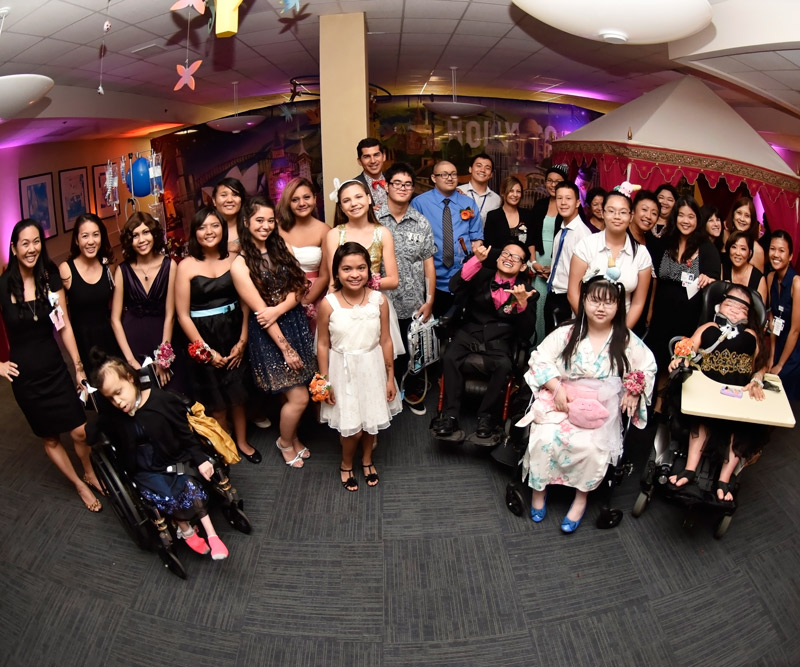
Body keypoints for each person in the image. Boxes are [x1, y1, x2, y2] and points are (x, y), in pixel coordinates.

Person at [521, 275, 656, 533]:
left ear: (619, 307)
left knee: (593, 448)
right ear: (584, 301)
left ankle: (580, 498)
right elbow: (539, 358)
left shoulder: (625, 339)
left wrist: (634, 390)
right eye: (595, 301)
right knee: (544, 439)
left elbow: (647, 367)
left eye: (608, 303)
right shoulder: (567, 333)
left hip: (601, 406)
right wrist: (556, 387)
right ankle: (539, 490)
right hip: (563, 399)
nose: (601, 308)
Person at [0, 219, 101, 513]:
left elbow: (64, 326)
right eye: (25, 243)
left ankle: (88, 469)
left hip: (55, 369)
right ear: (14, 248)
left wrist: (78, 366)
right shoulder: (3, 285)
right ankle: (80, 484)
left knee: (80, 430)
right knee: (50, 436)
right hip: (25, 378)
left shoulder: (50, 277)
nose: (32, 249)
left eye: (36, 242)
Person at [94, 355, 228, 559]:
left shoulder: (161, 400)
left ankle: (212, 536)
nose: (117, 401)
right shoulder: (114, 416)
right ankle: (186, 530)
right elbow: (90, 434)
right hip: (143, 468)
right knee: (166, 495)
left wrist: (200, 460)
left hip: (172, 458)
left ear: (130, 378)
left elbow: (185, 433)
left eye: (118, 393)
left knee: (189, 486)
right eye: (110, 398)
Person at [230, 195, 315, 467]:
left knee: (297, 389)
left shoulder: (283, 247)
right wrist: (285, 349)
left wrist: (278, 309)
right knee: (298, 397)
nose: (266, 226)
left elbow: (300, 287)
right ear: (246, 222)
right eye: (259, 220)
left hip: (294, 322)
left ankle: (294, 437)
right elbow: (261, 315)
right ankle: (285, 442)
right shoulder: (240, 265)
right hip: (270, 336)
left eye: (270, 220)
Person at [667, 285, 769, 503]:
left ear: (749, 314)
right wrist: (681, 358)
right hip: (707, 391)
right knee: (700, 420)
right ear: (718, 305)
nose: (734, 310)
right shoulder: (709, 327)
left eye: (741, 308)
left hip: (737, 395)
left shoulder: (752, 335)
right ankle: (690, 469)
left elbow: (761, 366)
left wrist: (756, 380)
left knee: (741, 428)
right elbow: (689, 347)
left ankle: (724, 479)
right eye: (730, 304)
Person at [175, 206, 261, 464]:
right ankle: (225, 447)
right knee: (216, 402)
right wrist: (205, 351)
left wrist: (243, 339)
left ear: (223, 229)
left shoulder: (234, 258)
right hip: (202, 337)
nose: (209, 232)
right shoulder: (186, 266)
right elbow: (182, 315)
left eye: (214, 225)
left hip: (233, 330)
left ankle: (243, 442)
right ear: (194, 233)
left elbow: (246, 302)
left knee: (238, 395)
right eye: (202, 227)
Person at [317, 243, 402, 491]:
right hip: (342, 372)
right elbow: (323, 344)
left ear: (369, 271)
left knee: (370, 421)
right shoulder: (329, 303)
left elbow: (385, 340)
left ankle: (366, 460)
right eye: (347, 269)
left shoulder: (379, 300)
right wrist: (324, 381)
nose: (355, 274)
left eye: (361, 268)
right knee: (351, 428)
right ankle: (346, 464)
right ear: (337, 273)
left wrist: (389, 377)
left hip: (373, 367)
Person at [431, 241, 537, 437]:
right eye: (505, 253)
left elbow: (525, 333)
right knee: (449, 356)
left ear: (523, 266)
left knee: (504, 365)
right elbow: (454, 286)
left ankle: (486, 417)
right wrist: (474, 261)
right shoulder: (479, 274)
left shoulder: (527, 291)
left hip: (499, 340)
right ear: (497, 257)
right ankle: (451, 416)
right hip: (469, 332)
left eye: (515, 257)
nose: (508, 258)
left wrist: (521, 305)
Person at [376, 163, 436, 415]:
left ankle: (411, 392)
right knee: (382, 351)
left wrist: (430, 300)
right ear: (387, 186)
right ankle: (382, 395)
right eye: (397, 183)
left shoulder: (421, 222)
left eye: (408, 184)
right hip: (380, 301)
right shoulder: (374, 219)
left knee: (413, 353)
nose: (402, 188)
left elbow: (428, 264)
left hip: (412, 300)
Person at [325, 178, 405, 357]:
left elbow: (393, 280)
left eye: (358, 197)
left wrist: (364, 282)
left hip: (373, 306)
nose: (354, 203)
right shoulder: (334, 235)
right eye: (346, 200)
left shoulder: (382, 233)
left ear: (369, 199)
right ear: (341, 206)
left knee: (375, 358)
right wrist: (334, 311)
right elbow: (332, 280)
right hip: (343, 306)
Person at [648, 196, 721, 375]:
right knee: (656, 361)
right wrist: (649, 310)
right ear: (675, 217)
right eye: (681, 215)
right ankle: (656, 400)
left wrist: (708, 279)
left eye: (691, 216)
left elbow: (715, 282)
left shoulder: (706, 247)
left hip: (689, 317)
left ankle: (672, 401)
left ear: (698, 219)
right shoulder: (666, 241)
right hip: (661, 314)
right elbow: (653, 277)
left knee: (679, 366)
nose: (685, 221)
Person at [111, 212, 178, 389]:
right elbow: (115, 320)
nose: (141, 240)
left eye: (146, 232)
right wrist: (130, 359)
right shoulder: (122, 270)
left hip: (163, 338)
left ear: (154, 234)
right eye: (135, 235)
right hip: (133, 342)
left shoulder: (169, 265)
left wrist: (164, 358)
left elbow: (171, 314)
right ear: (129, 241)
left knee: (173, 393)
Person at [568, 190, 652, 329]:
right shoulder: (586, 245)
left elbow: (638, 303)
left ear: (631, 216)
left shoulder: (641, 254)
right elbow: (573, 293)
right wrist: (591, 327)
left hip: (621, 328)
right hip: (584, 325)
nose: (617, 216)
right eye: (611, 211)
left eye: (623, 212)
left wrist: (619, 333)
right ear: (603, 213)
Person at [410, 160, 484, 318]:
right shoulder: (420, 203)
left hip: (463, 277)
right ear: (433, 178)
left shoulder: (468, 203)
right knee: (432, 328)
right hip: (431, 279)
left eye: (453, 174)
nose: (449, 178)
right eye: (444, 174)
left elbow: (476, 239)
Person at [58, 212, 121, 377]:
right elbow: (62, 323)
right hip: (83, 344)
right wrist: (78, 366)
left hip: (110, 340)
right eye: (85, 236)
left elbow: (115, 312)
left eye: (96, 235)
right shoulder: (66, 270)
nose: (91, 241)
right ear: (77, 240)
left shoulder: (108, 267)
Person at [277, 177, 330, 330]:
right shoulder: (277, 228)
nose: (302, 203)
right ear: (288, 202)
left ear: (314, 198)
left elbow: (325, 276)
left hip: (314, 295)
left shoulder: (324, 230)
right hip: (282, 295)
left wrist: (304, 303)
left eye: (306, 197)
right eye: (295, 199)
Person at [543, 181, 591, 334]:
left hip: (568, 299)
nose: (563, 203)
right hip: (552, 295)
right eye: (559, 198)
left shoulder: (583, 234)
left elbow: (586, 274)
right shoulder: (561, 232)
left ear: (577, 202)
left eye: (568, 198)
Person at [530, 166, 566, 342]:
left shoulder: (567, 208)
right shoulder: (539, 205)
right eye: (550, 180)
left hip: (557, 264)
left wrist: (554, 268)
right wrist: (533, 262)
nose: (552, 184)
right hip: (538, 261)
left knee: (550, 308)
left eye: (557, 181)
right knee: (536, 305)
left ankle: (547, 349)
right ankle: (533, 350)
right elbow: (531, 237)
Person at [766, 230, 800, 399]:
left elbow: (795, 330)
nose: (776, 254)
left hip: (795, 350)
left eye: (781, 250)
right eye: (773, 249)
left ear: (790, 256)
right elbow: (772, 318)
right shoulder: (770, 277)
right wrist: (772, 356)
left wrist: (780, 364)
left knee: (781, 388)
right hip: (779, 343)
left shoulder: (797, 283)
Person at [628, 190, 662, 336]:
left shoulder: (653, 244)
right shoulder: (622, 238)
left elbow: (654, 280)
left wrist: (650, 310)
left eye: (654, 213)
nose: (648, 216)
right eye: (644, 210)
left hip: (642, 307)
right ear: (633, 211)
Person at [482, 176, 540, 262]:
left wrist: (533, 263)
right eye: (511, 191)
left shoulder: (527, 215)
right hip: (498, 264)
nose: (515, 195)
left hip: (521, 264)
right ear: (503, 193)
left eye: (518, 191)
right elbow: (489, 246)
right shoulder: (493, 216)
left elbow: (530, 242)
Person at [723, 230, 767, 305]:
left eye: (743, 249)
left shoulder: (759, 279)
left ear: (749, 253)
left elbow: (760, 313)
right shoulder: (723, 268)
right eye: (734, 247)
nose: (737, 253)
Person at [723, 197, 764, 272]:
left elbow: (759, 281)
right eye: (739, 213)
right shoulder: (724, 236)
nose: (742, 219)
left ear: (752, 221)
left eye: (747, 216)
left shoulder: (757, 250)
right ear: (733, 215)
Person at [212, 177, 246, 255]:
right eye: (224, 195)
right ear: (214, 201)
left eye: (235, 195)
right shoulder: (206, 230)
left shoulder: (250, 225)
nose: (230, 200)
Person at [353, 138, 388, 210]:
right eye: (367, 157)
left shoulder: (394, 180)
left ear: (383, 157)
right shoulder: (353, 186)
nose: (373, 161)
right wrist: (368, 213)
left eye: (376, 155)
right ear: (359, 161)